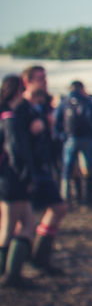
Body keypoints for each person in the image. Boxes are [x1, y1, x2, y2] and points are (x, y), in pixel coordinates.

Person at [21, 66, 68, 275]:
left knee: (58, 208)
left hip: (42, 167)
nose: (45, 82)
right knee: (22, 220)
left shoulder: (42, 107)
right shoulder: (20, 108)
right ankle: (19, 266)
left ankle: (40, 258)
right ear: (27, 81)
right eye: (41, 78)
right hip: (26, 169)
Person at [0, 75, 37, 287]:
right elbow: (15, 150)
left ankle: (10, 273)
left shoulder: (5, 114)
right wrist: (25, 175)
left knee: (19, 224)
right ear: (17, 91)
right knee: (15, 227)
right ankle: (10, 275)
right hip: (12, 179)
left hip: (6, 177)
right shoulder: (9, 117)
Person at [54, 81, 92, 208]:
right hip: (87, 139)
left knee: (67, 170)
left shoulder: (65, 102)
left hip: (71, 139)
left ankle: (65, 198)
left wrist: (63, 137)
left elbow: (57, 122)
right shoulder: (88, 102)